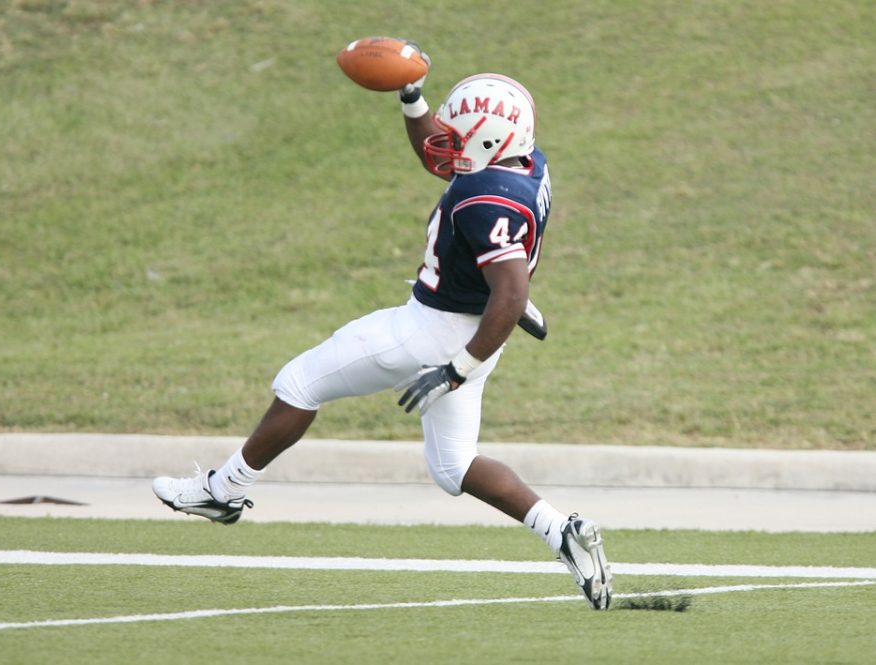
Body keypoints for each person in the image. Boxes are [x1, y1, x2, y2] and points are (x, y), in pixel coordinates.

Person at [152, 48, 613, 610]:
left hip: (436, 332)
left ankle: (222, 491)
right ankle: (562, 530)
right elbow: (447, 167)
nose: (444, 143)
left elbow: (510, 291)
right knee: (454, 467)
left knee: (299, 383)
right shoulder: (526, 161)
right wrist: (412, 96)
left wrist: (456, 368)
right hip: (472, 328)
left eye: (456, 135)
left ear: (489, 143)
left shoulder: (483, 199)